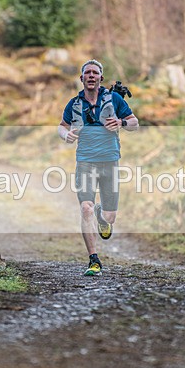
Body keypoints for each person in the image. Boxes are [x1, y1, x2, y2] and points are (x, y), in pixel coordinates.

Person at [58, 59, 139, 276]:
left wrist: (121, 123)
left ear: (101, 78)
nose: (91, 76)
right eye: (87, 73)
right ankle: (93, 260)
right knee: (85, 207)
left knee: (110, 217)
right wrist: (66, 135)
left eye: (95, 73)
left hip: (110, 162)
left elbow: (134, 123)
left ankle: (102, 215)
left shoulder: (114, 99)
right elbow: (62, 126)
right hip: (85, 162)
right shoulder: (74, 103)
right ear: (82, 78)